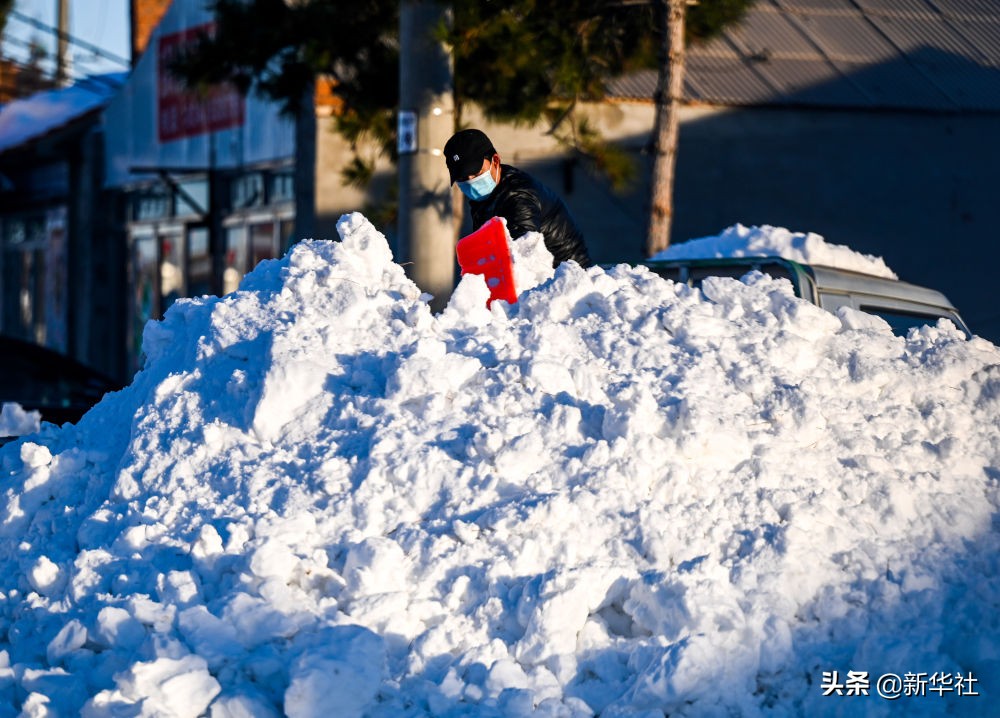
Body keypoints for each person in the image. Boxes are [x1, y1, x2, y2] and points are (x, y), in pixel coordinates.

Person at [443, 128, 592, 268]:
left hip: (563, 278)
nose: (470, 181)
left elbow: (521, 256)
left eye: (476, 173)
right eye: (462, 177)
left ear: (495, 160)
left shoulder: (518, 197)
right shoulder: (487, 196)